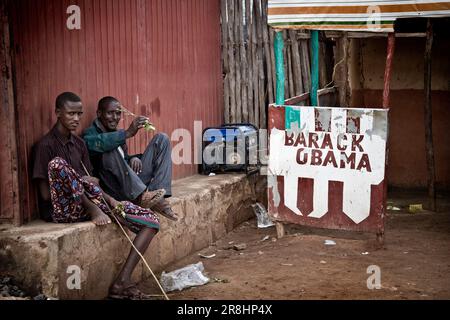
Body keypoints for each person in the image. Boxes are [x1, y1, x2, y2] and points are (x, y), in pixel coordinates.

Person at [32, 92, 161, 299]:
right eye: (70, 114)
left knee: (151, 221)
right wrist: (83, 187)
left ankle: (122, 282)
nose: (75, 119)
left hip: (91, 202)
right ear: (57, 113)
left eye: (79, 114)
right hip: (62, 208)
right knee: (59, 165)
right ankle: (95, 208)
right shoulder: (45, 146)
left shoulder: (80, 145)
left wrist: (110, 201)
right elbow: (45, 195)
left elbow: (92, 183)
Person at [82, 96, 178, 221]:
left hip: (132, 185)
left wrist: (132, 158)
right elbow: (95, 144)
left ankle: (156, 199)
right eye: (110, 113)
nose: (115, 117)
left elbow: (122, 160)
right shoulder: (90, 133)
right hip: (115, 189)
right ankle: (144, 197)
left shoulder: (115, 132)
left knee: (162, 139)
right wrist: (127, 133)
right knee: (109, 147)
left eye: (118, 113)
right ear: (99, 113)